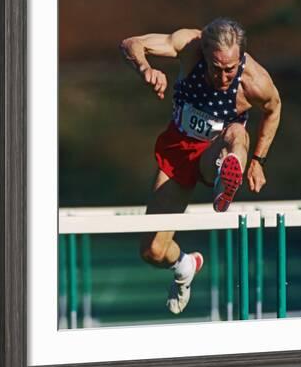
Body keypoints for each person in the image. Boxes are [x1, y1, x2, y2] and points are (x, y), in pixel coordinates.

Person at [120, 17, 281, 315]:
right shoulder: (190, 46)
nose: (222, 77)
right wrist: (146, 69)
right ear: (205, 54)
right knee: (152, 250)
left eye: (230, 69)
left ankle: (225, 176)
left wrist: (258, 160)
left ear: (241, 59)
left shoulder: (255, 81)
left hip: (215, 151)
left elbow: (274, 108)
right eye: (216, 68)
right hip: (179, 150)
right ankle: (185, 265)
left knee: (236, 134)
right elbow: (132, 43)